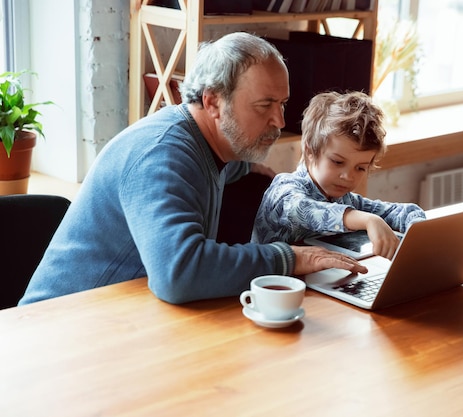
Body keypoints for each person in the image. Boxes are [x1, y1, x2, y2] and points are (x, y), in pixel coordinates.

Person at [19, 32, 366, 306]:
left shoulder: (208, 146)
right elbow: (178, 273)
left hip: (122, 319)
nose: (279, 120)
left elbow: (235, 171)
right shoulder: (161, 155)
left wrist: (270, 178)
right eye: (264, 106)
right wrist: (289, 258)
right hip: (57, 330)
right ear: (213, 101)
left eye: (283, 103)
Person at [251, 91, 426, 260]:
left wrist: (419, 230)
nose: (348, 176)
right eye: (337, 162)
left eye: (360, 168)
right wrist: (368, 220)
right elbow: (307, 210)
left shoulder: (346, 200)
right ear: (310, 151)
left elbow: (405, 212)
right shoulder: (284, 190)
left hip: (322, 282)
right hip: (272, 286)